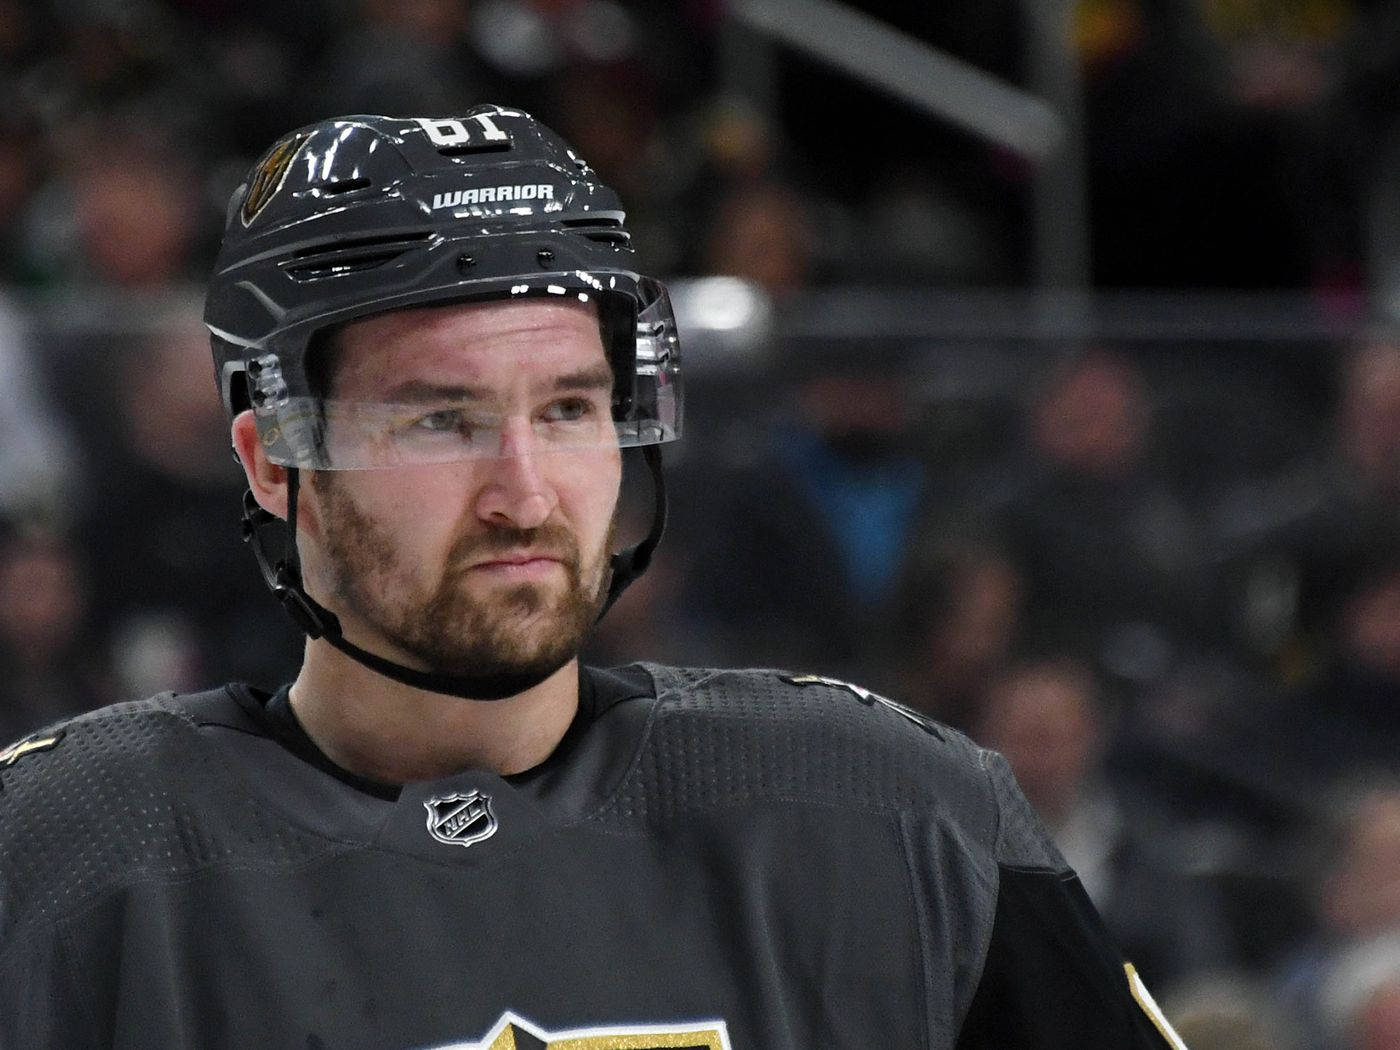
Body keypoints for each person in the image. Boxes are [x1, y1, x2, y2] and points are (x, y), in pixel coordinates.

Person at [0, 106, 1188, 1048]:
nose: (525, 492)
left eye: (568, 410)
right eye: (439, 420)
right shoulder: (62, 859)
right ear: (273, 461)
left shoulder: (894, 817)